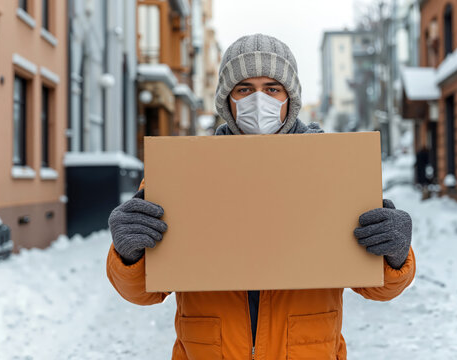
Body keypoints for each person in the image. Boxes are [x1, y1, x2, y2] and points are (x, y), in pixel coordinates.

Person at [107, 34, 416, 360]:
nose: (259, 100)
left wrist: (395, 253)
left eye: (272, 88)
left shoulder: (331, 168)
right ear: (227, 99)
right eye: (244, 89)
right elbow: (141, 292)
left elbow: (378, 287)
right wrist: (129, 254)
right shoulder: (186, 173)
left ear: (289, 98)